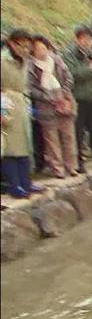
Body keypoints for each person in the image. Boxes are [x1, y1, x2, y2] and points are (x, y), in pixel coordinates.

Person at [1, 30, 45, 199]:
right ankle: (15, 185)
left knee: (25, 145)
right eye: (22, 45)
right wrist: (2, 111)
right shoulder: (3, 61)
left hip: (21, 104)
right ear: (12, 43)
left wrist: (28, 108)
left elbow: (24, 86)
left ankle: (26, 181)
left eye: (28, 46)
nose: (25, 49)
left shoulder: (23, 62)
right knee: (11, 147)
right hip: (6, 103)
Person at [28, 35, 78, 179]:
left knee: (68, 136)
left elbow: (68, 77)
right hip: (45, 107)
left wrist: (64, 93)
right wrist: (47, 97)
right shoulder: (31, 66)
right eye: (37, 49)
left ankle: (72, 166)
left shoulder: (56, 60)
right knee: (52, 140)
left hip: (64, 101)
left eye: (43, 48)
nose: (41, 52)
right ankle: (58, 168)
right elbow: (31, 88)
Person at [64, 26, 92, 173]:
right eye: (83, 39)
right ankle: (78, 163)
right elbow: (72, 74)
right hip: (79, 98)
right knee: (78, 132)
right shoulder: (69, 56)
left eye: (88, 39)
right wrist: (90, 69)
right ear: (77, 39)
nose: (86, 42)